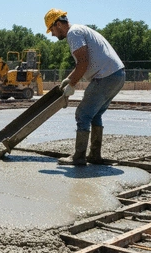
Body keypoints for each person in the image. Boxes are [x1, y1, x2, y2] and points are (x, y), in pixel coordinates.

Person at [44, 9, 125, 165]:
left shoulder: (73, 34)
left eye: (52, 29)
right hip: (117, 75)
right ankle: (95, 155)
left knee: (82, 114)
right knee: (95, 115)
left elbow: (83, 62)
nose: (52, 34)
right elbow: (82, 63)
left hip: (105, 77)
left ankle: (79, 157)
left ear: (58, 24)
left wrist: (72, 84)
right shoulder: (80, 30)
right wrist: (68, 79)